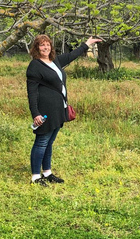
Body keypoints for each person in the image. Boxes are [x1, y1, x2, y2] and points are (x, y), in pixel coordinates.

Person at [26, 34, 102, 186]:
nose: (45, 47)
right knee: (41, 142)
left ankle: (47, 173)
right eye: (42, 45)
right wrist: (36, 113)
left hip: (59, 109)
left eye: (48, 44)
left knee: (50, 142)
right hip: (45, 110)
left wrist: (86, 44)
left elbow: (72, 55)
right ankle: (35, 176)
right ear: (36, 48)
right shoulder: (35, 66)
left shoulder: (55, 61)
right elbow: (32, 93)